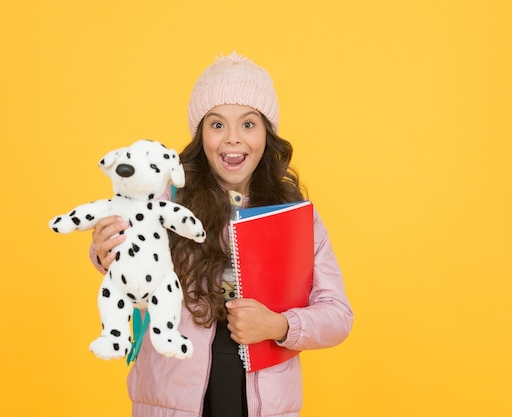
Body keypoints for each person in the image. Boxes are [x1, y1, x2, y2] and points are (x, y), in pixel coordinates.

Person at [89, 52, 353, 417]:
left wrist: (279, 325)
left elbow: (338, 315)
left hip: (261, 399)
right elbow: (126, 253)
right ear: (201, 134)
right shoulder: (167, 197)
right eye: (217, 125)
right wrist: (105, 253)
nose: (232, 139)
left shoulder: (295, 216)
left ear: (266, 133)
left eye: (248, 124)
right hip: (172, 396)